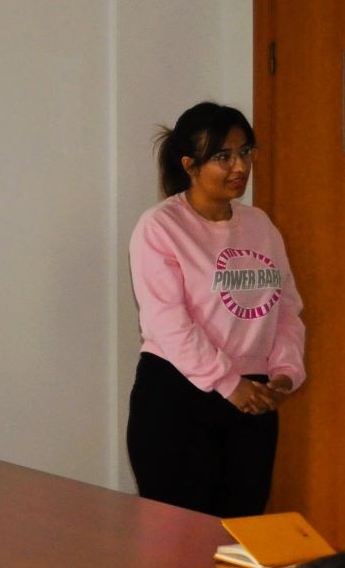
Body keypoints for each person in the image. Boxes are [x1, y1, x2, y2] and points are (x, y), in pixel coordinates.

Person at [127, 102, 306, 517]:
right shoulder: (160, 227)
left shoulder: (260, 225)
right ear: (189, 164)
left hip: (253, 398)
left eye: (245, 152)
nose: (240, 166)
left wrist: (284, 373)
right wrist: (228, 383)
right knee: (177, 540)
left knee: (240, 535)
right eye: (223, 156)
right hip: (178, 397)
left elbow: (286, 308)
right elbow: (168, 322)